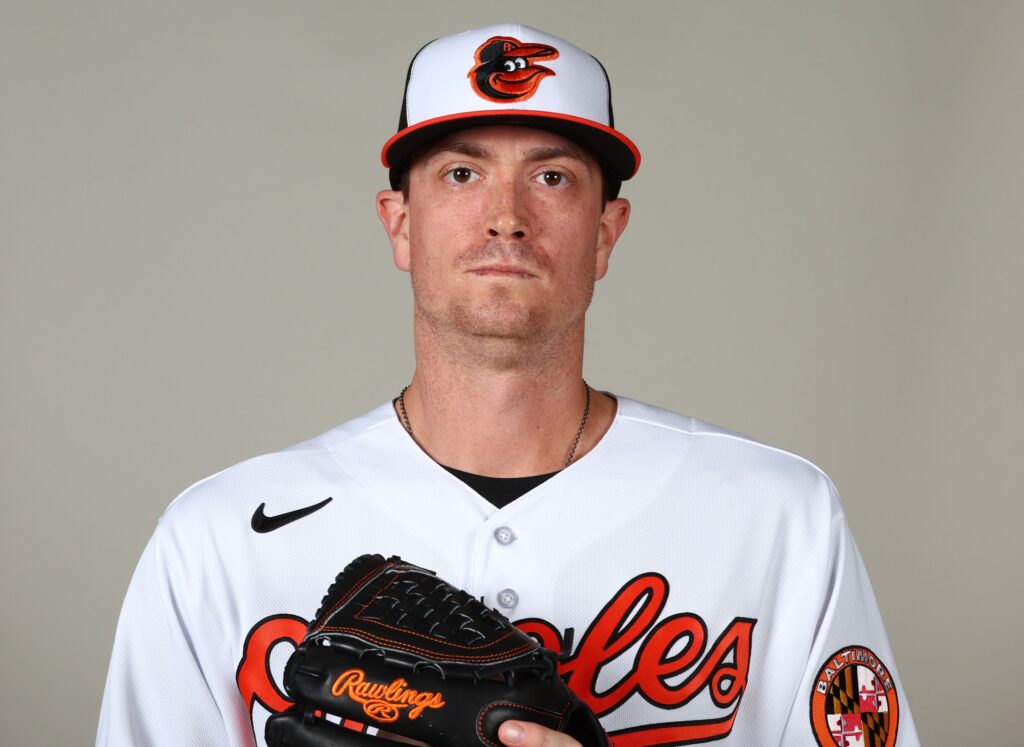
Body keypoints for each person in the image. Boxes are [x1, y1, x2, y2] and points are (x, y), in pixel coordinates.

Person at [97, 23, 920, 747]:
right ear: (400, 223)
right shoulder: (216, 538)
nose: (507, 215)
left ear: (605, 233)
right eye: (461, 174)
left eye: (552, 176)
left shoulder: (780, 517)